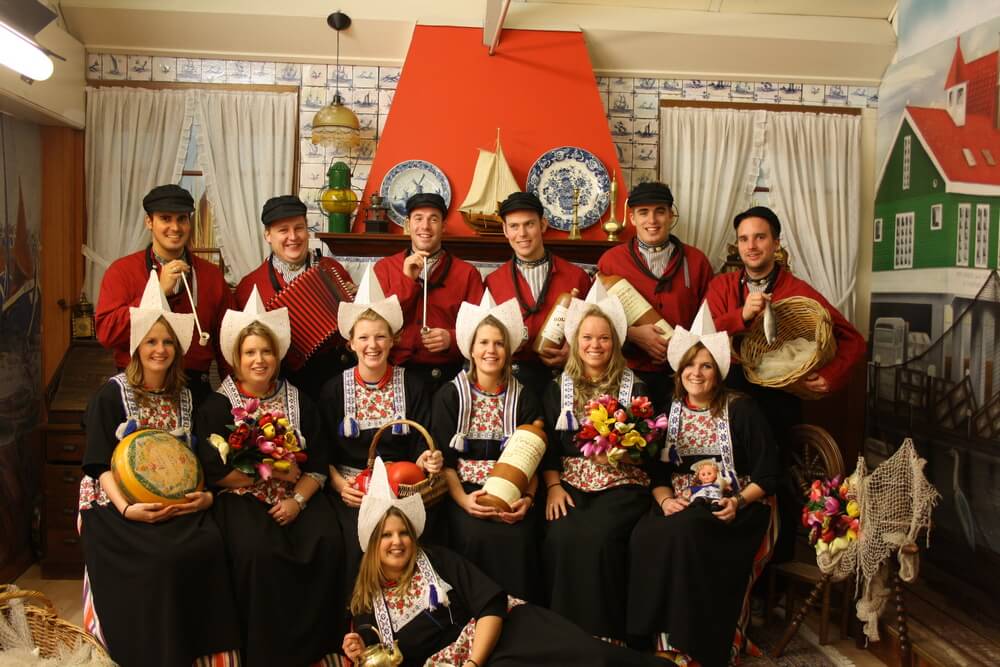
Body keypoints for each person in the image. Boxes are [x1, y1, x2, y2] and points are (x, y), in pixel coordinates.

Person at [340, 458, 661, 667]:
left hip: (500, 636)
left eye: (403, 533)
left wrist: (473, 663)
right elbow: (376, 652)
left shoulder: (436, 560)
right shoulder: (367, 602)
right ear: (373, 545)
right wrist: (356, 646)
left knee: (591, 658)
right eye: (387, 536)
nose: (397, 542)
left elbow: (491, 605)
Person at [79, 271, 240, 667]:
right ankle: (148, 652)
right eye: (151, 341)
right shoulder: (111, 395)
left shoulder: (190, 396)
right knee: (157, 561)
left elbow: (201, 457)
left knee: (207, 546)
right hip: (115, 500)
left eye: (168, 342)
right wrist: (128, 509)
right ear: (137, 346)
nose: (160, 349)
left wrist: (206, 499)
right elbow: (98, 464)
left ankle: (201, 653)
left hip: (180, 502)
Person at [704, 205, 865, 560]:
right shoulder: (721, 286)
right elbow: (700, 337)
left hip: (778, 400)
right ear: (736, 245)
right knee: (729, 476)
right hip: (728, 398)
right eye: (744, 239)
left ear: (776, 243)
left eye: (760, 237)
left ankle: (776, 567)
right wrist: (741, 315)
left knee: (777, 478)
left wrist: (830, 377)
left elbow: (854, 340)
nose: (751, 246)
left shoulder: (797, 290)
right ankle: (731, 564)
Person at [195, 289, 345, 667]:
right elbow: (215, 472)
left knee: (326, 540)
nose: (259, 360)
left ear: (277, 357)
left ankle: (316, 649)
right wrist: (269, 471)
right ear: (236, 360)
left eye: (266, 351)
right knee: (258, 552)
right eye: (250, 353)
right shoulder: (218, 406)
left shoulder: (301, 402)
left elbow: (317, 465)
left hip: (296, 493)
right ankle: (266, 653)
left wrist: (298, 501)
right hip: (241, 495)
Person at [627, 302, 779, 667]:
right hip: (679, 502)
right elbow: (656, 474)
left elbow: (768, 474)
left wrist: (737, 502)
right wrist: (665, 502)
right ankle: (658, 638)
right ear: (679, 371)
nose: (697, 373)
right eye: (690, 365)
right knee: (645, 534)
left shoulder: (742, 409)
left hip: (736, 505)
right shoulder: (668, 409)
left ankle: (695, 645)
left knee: (687, 533)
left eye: (706, 365)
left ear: (719, 372)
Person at [540, 281, 651, 643]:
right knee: (561, 535)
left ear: (615, 342)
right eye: (587, 337)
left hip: (622, 484)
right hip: (570, 483)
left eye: (604, 338)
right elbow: (548, 448)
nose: (595, 345)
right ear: (575, 341)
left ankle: (605, 636)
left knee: (599, 538)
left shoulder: (636, 388)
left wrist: (623, 451)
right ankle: (564, 635)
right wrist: (553, 487)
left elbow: (648, 451)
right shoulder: (557, 388)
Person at [319, 264, 442, 588]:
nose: (372, 345)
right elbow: (323, 453)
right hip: (352, 492)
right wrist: (340, 486)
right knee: (349, 539)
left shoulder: (413, 386)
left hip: (403, 489)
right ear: (351, 343)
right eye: (363, 337)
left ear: (393, 340)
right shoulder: (333, 390)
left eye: (380, 336)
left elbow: (421, 447)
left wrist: (426, 461)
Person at [431, 290, 543, 602]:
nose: (491, 350)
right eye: (483, 342)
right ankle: (478, 612)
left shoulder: (525, 397)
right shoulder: (449, 395)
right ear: (471, 349)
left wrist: (527, 500)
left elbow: (533, 461)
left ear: (508, 350)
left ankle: (519, 614)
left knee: (520, 536)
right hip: (464, 490)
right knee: (473, 534)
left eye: (498, 343)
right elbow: (445, 463)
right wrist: (464, 501)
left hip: (514, 491)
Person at [96, 183, 234, 405]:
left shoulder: (211, 276)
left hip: (196, 390)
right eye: (165, 218)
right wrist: (157, 292)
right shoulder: (121, 271)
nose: (175, 227)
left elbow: (229, 343)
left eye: (182, 219)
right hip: (136, 388)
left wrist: (236, 399)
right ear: (149, 222)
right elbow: (107, 333)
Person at [596, 181, 713, 408]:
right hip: (627, 374)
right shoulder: (610, 262)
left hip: (685, 375)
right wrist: (631, 334)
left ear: (671, 215)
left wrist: (683, 347)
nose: (652, 220)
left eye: (660, 211)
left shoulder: (697, 261)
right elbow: (594, 321)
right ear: (632, 218)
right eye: (643, 212)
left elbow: (709, 319)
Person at [236, 194, 358, 398]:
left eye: (299, 228)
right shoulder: (250, 286)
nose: (293, 237)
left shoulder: (331, 269)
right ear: (268, 235)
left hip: (335, 376)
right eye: (283, 230)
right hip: (280, 381)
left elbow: (355, 328)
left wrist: (355, 302)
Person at [373, 192, 484, 394]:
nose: (425, 226)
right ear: (408, 225)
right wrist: (407, 280)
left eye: (433, 219)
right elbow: (375, 324)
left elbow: (481, 329)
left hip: (446, 378)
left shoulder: (468, 274)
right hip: (393, 374)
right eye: (418, 218)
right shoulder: (384, 269)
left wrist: (452, 339)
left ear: (443, 227)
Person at [484, 191, 592, 389]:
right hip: (512, 382)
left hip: (564, 378)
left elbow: (597, 330)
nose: (522, 234)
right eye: (514, 226)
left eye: (529, 224)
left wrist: (574, 352)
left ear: (543, 225)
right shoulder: (492, 282)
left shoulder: (577, 277)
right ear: (505, 230)